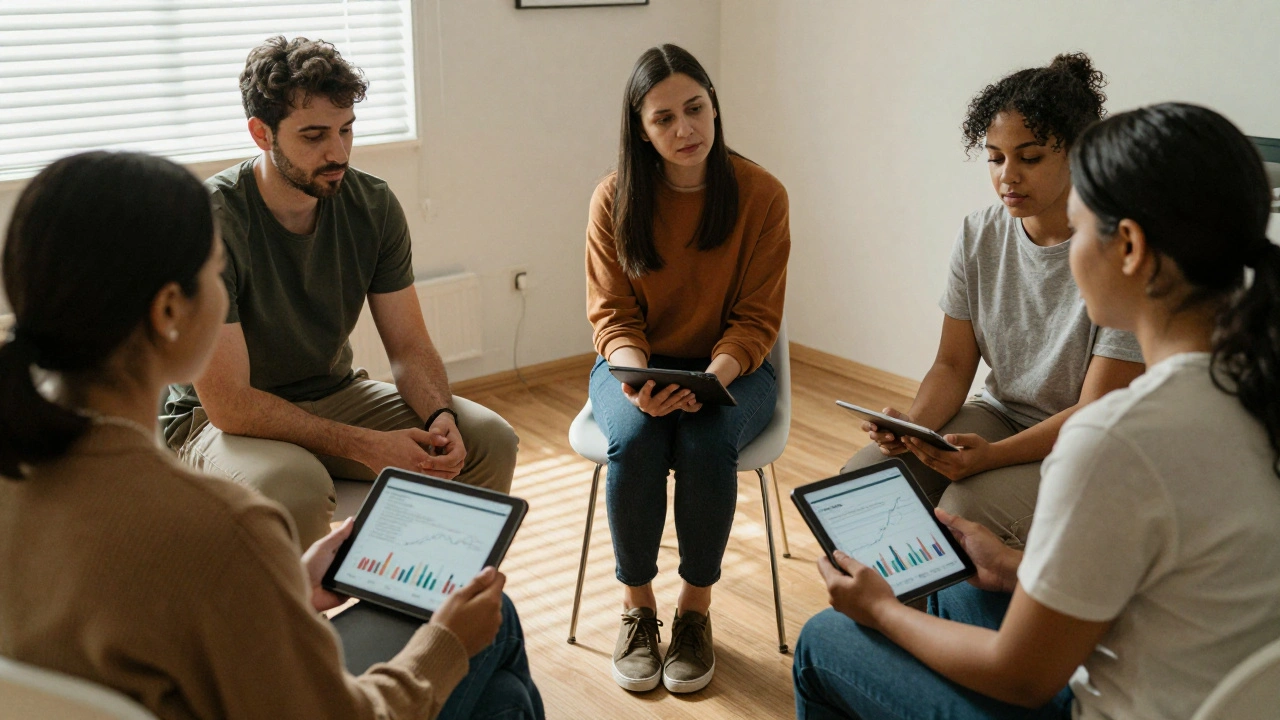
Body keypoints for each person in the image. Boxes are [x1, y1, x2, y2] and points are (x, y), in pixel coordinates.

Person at [0, 151, 543, 720]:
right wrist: (446, 644)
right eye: (216, 271)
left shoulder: (29, 475)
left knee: (500, 700)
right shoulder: (222, 528)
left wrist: (287, 587)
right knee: (493, 628)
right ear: (169, 312)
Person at [793, 102, 1280, 720]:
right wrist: (1012, 567)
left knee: (824, 640)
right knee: (957, 595)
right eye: (996, 158)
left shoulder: (1114, 440)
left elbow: (1021, 677)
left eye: (1081, 225)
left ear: (1129, 246)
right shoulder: (1254, 389)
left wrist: (881, 611)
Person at [163, 36, 518, 549]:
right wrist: (366, 445)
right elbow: (231, 405)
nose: (338, 153)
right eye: (313, 136)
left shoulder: (372, 205)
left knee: (488, 440)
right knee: (295, 487)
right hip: (216, 421)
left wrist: (440, 415)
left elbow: (409, 348)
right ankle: (315, 605)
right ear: (261, 134)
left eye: (346, 130)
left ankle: (421, 588)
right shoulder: (210, 221)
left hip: (331, 393)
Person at [841, 53, 1144, 548]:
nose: (1008, 176)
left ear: (1079, 154)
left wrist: (991, 457)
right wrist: (914, 428)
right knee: (864, 481)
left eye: (1030, 158)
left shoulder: (1123, 247)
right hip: (1000, 414)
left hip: (1089, 441)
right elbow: (952, 364)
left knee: (966, 510)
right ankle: (892, 599)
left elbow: (1097, 410)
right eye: (995, 158)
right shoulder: (978, 233)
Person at [585, 44, 789, 694]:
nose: (685, 129)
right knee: (636, 437)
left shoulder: (761, 195)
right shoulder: (614, 198)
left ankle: (694, 612)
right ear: (640, 129)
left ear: (715, 107)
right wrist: (637, 381)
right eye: (664, 118)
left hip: (733, 368)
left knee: (705, 442)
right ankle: (638, 609)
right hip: (634, 365)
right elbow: (613, 316)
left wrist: (712, 380)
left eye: (695, 109)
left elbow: (755, 320)